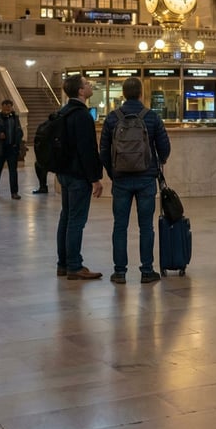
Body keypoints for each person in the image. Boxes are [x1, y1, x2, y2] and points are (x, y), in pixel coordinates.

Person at [99, 77, 171, 284]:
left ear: (123, 93)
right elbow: (164, 147)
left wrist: (113, 173)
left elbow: (104, 151)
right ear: (141, 93)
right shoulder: (152, 117)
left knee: (119, 226)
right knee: (146, 226)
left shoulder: (112, 118)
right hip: (146, 179)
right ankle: (147, 270)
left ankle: (119, 272)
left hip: (121, 179)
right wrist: (158, 163)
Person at [55, 75, 104, 280]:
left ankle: (63, 263)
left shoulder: (63, 112)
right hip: (78, 175)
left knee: (66, 217)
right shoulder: (83, 115)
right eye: (86, 83)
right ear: (80, 91)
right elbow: (87, 149)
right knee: (76, 220)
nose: (90, 85)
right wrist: (95, 178)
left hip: (64, 173)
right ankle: (74, 265)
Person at [0, 99, 24, 199]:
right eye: (6, 106)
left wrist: (19, 136)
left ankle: (14, 192)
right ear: (2, 106)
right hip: (0, 148)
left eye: (9, 107)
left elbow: (19, 130)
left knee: (13, 171)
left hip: (12, 148)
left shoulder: (15, 118)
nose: (8, 108)